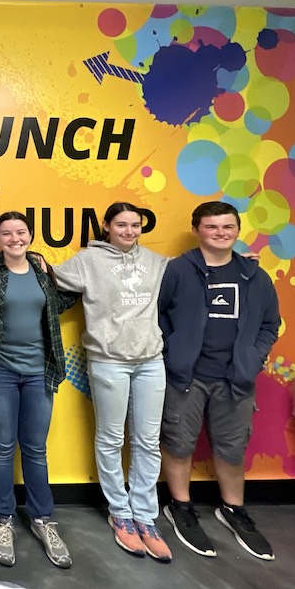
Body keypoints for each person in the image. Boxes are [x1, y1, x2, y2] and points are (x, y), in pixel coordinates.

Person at [0, 211, 77, 569]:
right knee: (3, 445)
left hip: (40, 371)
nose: (14, 238)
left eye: (20, 232)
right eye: (6, 233)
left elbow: (62, 300)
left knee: (35, 448)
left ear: (31, 236)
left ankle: (43, 520)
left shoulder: (41, 270)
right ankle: (3, 519)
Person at [158, 200, 280, 561]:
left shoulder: (255, 276)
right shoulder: (178, 270)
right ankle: (180, 506)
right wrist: (172, 349)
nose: (220, 233)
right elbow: (159, 313)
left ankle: (233, 510)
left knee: (231, 447)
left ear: (237, 230)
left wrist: (254, 356)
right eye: (212, 227)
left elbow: (269, 324)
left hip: (235, 378)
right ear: (197, 230)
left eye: (227, 227)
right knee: (178, 442)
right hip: (187, 376)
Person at [53, 202, 173, 562]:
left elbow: (197, 272)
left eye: (135, 225)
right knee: (111, 438)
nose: (129, 231)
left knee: (148, 441)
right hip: (108, 362)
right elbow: (49, 275)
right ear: (106, 226)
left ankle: (146, 517)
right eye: (121, 224)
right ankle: (119, 512)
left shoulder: (156, 261)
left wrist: (239, 258)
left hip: (152, 361)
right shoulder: (86, 261)